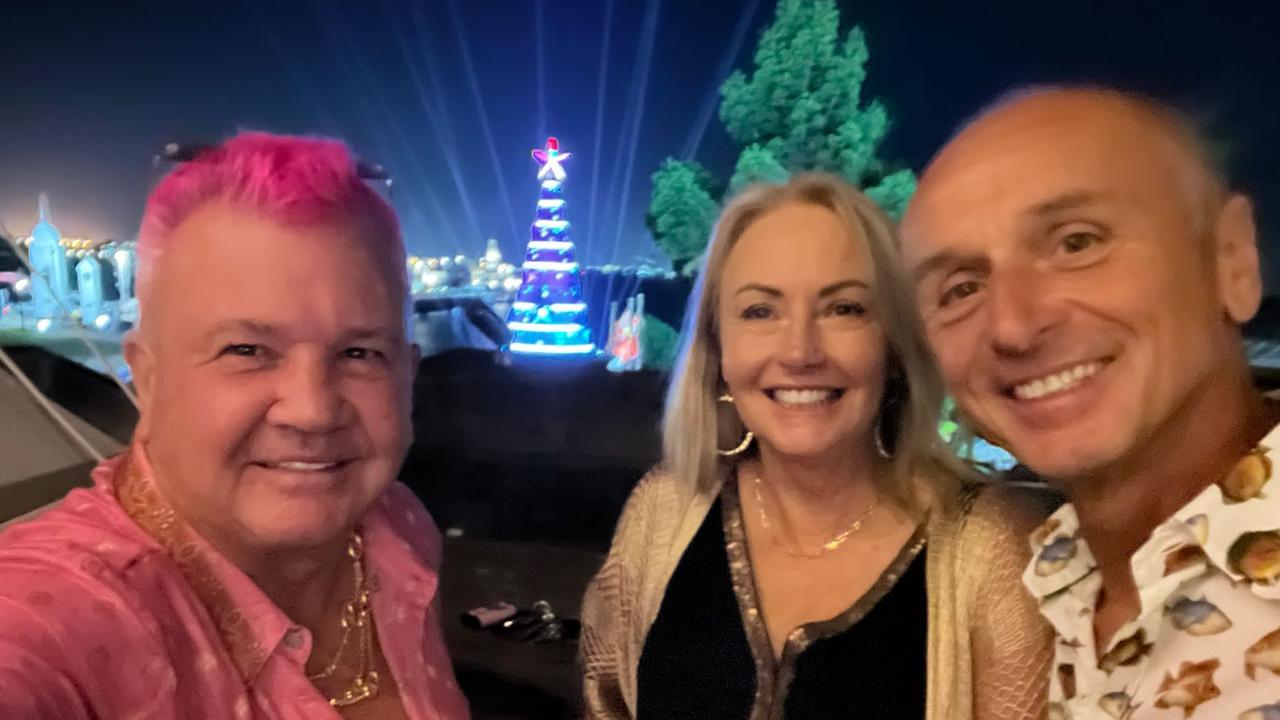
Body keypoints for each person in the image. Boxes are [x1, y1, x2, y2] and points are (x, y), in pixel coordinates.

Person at [0, 132, 470, 719]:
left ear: (406, 375)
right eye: (246, 349)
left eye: (359, 354)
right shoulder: (67, 618)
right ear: (147, 378)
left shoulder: (400, 527)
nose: (312, 411)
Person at [580, 173, 1055, 720]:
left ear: (895, 345)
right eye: (760, 311)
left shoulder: (994, 549)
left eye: (844, 309)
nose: (801, 351)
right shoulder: (661, 513)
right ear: (718, 351)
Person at [900, 86, 1280, 719]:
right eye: (961, 288)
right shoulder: (1059, 577)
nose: (1014, 327)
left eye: (1077, 243)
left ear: (1232, 260)